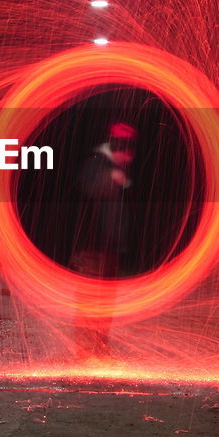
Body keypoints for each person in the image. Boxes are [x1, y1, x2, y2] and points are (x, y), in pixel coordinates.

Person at [69, 121, 136, 360]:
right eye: (126, 154)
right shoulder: (95, 164)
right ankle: (84, 353)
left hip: (110, 250)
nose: (128, 160)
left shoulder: (113, 169)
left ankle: (100, 350)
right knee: (89, 303)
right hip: (91, 250)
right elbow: (85, 189)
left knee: (104, 305)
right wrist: (110, 179)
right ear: (118, 150)